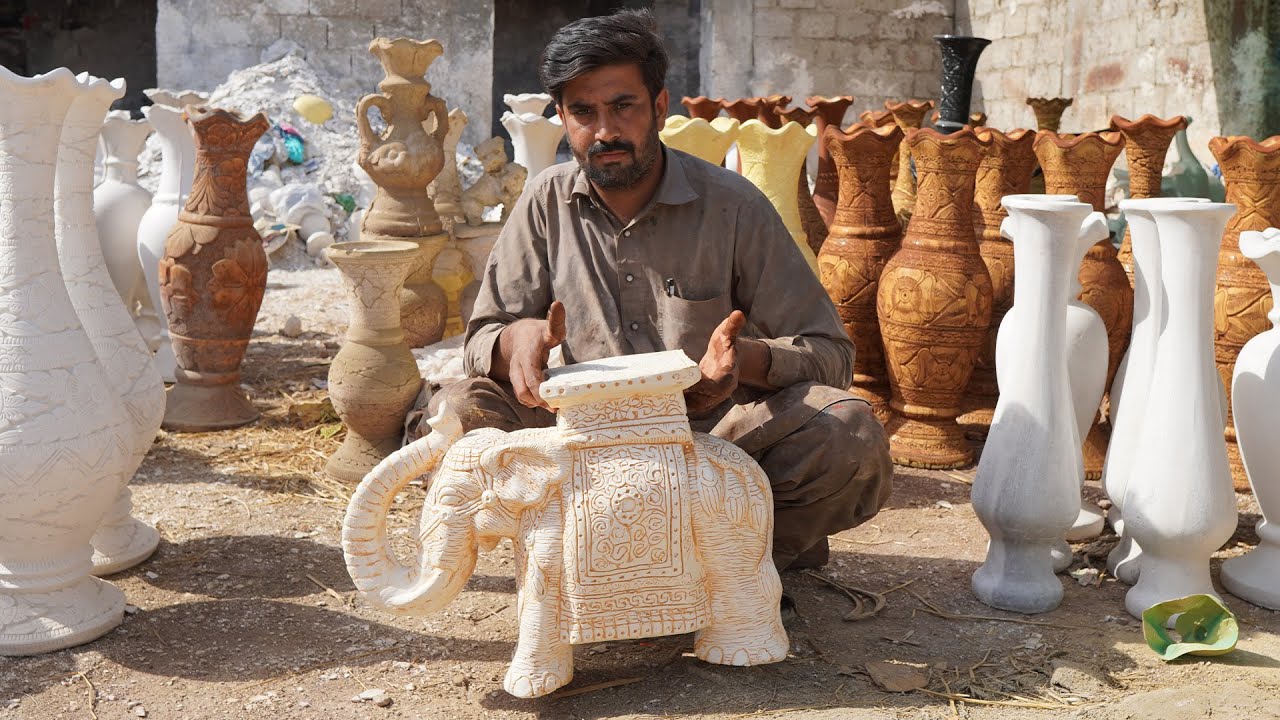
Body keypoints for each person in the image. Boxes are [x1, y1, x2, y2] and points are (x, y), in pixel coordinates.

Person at [407, 8, 892, 577]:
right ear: (561, 117)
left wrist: (746, 362)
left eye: (623, 107)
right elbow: (482, 336)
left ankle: (734, 564)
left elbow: (831, 352)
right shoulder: (544, 201)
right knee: (453, 417)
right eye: (583, 112)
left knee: (849, 432)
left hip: (709, 444)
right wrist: (520, 340)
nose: (605, 131)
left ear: (660, 107)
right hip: (579, 441)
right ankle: (572, 562)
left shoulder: (734, 207)